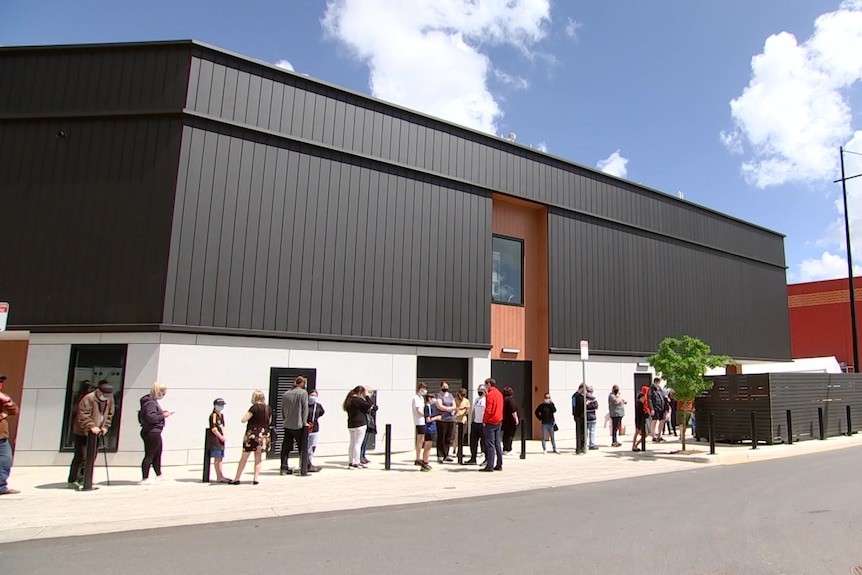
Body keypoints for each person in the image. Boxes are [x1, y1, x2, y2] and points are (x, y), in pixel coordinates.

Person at [68, 380, 115, 488]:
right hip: (82, 432)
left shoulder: (109, 399)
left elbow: (110, 414)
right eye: (104, 395)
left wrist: (105, 427)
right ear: (98, 391)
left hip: (97, 432)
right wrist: (91, 426)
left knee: (92, 456)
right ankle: (73, 479)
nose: (106, 397)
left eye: (108, 395)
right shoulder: (89, 398)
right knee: (81, 455)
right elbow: (83, 414)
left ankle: (85, 478)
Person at [230, 390, 271, 485]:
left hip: (252, 434)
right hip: (263, 434)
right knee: (258, 456)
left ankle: (237, 478)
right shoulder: (267, 408)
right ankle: (256, 478)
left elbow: (244, 420)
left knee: (244, 457)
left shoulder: (254, 408)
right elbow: (269, 421)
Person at [140, 381, 172, 484]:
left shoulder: (152, 402)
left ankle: (159, 474)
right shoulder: (150, 403)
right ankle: (145, 477)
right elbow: (151, 417)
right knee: (150, 454)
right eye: (163, 393)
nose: (163, 395)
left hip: (155, 431)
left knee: (157, 453)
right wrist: (163, 416)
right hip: (152, 431)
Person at [280, 375, 309, 476]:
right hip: (298, 424)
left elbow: (282, 409)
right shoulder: (303, 393)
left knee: (285, 447)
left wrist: (285, 419)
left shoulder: (286, 394)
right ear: (302, 383)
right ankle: (304, 467)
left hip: (287, 424)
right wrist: (304, 422)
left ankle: (283, 467)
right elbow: (305, 408)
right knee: (302, 447)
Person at [344, 386, 375, 469]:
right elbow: (370, 405)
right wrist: (367, 396)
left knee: (352, 443)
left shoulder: (349, 400)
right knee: (357, 444)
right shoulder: (358, 400)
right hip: (360, 424)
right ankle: (356, 462)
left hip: (351, 424)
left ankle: (351, 461)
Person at [0, 375, 21, 495]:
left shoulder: (3, 397)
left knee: (5, 460)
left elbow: (14, 410)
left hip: (2, 437)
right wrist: (2, 415)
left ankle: (1, 486)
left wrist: (6, 400)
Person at [480, 378, 503, 472]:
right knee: (497, 443)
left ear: (489, 384)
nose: (485, 386)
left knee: (490, 444)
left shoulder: (490, 395)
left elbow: (488, 409)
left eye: (485, 384)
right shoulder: (499, 393)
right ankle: (499, 464)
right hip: (498, 420)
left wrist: (484, 420)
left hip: (490, 421)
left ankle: (490, 465)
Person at [207, 398, 228, 483]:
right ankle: (218, 476)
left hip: (221, 439)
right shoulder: (213, 415)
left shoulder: (221, 415)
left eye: (222, 405)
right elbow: (214, 428)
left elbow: (223, 426)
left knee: (221, 457)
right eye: (219, 405)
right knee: (217, 458)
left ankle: (221, 475)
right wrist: (220, 437)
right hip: (215, 439)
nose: (221, 407)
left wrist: (224, 435)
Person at [435, 382, 456, 463]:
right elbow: (439, 405)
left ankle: (446, 454)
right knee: (441, 437)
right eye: (444, 386)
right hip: (442, 419)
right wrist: (448, 409)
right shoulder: (439, 395)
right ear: (441, 387)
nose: (445, 388)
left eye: (446, 386)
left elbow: (454, 405)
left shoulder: (450, 395)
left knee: (448, 437)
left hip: (450, 419)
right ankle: (440, 455)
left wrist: (450, 408)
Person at [420, 391, 440, 472]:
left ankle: (426, 462)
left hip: (432, 429)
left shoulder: (430, 407)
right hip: (429, 429)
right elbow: (428, 419)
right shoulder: (427, 407)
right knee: (427, 447)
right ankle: (425, 463)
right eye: (432, 398)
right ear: (429, 399)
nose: (434, 400)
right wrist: (437, 418)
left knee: (429, 447)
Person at [466, 384, 486, 465]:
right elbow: (474, 410)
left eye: (481, 390)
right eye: (479, 390)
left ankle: (486, 458)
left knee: (484, 442)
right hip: (475, 423)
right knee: (473, 441)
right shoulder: (477, 399)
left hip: (482, 424)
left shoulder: (486, 399)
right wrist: (472, 421)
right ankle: (473, 458)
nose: (480, 391)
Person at [306, 390, 324, 472]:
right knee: (305, 447)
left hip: (314, 428)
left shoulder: (318, 406)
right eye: (311, 395)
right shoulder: (305, 405)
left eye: (315, 395)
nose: (313, 397)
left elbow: (321, 413)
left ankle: (309, 463)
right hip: (305, 427)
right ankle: (305, 463)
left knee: (311, 447)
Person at [413, 383, 428, 466]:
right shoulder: (416, 398)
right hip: (419, 421)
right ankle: (417, 458)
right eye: (423, 389)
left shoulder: (421, 398)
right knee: (420, 440)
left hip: (422, 421)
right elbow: (419, 411)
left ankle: (419, 457)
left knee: (422, 440)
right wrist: (426, 415)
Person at [360, 391, 377, 465]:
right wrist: (366, 397)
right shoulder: (361, 401)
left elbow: (375, 407)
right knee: (361, 442)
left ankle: (363, 456)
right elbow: (369, 406)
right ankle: (360, 457)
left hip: (369, 423)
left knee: (365, 441)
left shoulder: (368, 401)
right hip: (363, 423)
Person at [501, 386, 520, 454]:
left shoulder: (504, 399)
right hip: (510, 421)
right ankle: (508, 449)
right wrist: (516, 419)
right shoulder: (510, 400)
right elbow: (513, 410)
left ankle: (505, 448)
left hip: (505, 420)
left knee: (506, 435)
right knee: (510, 435)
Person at [454, 387, 470, 458]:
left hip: (463, 420)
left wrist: (466, 410)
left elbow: (468, 410)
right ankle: (454, 449)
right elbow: (454, 409)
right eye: (461, 395)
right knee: (456, 436)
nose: (462, 396)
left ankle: (460, 451)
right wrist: (461, 408)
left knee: (462, 436)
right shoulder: (455, 400)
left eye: (464, 395)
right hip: (457, 420)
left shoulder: (466, 401)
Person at [649, 378, 667, 442]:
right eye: (657, 382)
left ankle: (660, 435)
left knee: (662, 420)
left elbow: (663, 396)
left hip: (661, 408)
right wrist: (652, 409)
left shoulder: (660, 389)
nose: (658, 384)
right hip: (655, 408)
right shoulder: (651, 389)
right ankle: (653, 436)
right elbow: (650, 399)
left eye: (658, 382)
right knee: (654, 421)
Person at [632, 386, 649, 452]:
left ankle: (635, 445)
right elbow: (641, 414)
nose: (643, 399)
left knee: (641, 434)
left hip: (639, 421)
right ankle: (635, 445)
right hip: (639, 421)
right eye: (642, 398)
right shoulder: (639, 404)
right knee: (642, 433)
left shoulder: (640, 404)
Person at [572, 384, 586, 455]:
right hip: (579, 416)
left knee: (583, 432)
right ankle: (579, 448)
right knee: (579, 432)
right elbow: (575, 406)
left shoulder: (580, 396)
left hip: (582, 416)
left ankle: (582, 446)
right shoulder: (576, 396)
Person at [585, 385, 599, 450]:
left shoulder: (583, 397)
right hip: (592, 416)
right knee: (592, 431)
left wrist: (588, 404)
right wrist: (591, 404)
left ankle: (584, 444)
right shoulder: (593, 398)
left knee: (585, 431)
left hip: (585, 416)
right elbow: (596, 406)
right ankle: (591, 444)